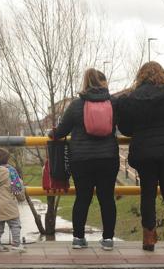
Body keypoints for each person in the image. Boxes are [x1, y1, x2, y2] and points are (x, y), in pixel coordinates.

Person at [117, 61, 164, 252]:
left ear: (140, 76)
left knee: (147, 194)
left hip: (144, 151)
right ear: (162, 74)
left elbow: (125, 128)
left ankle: (149, 238)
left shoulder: (132, 98)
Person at [50, 68, 119, 251]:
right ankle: (108, 239)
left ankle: (79, 239)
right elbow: (124, 126)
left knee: (82, 198)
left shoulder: (76, 105)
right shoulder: (113, 103)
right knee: (107, 198)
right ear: (103, 82)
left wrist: (52, 132)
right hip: (108, 157)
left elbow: (61, 131)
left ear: (85, 83)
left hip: (81, 159)